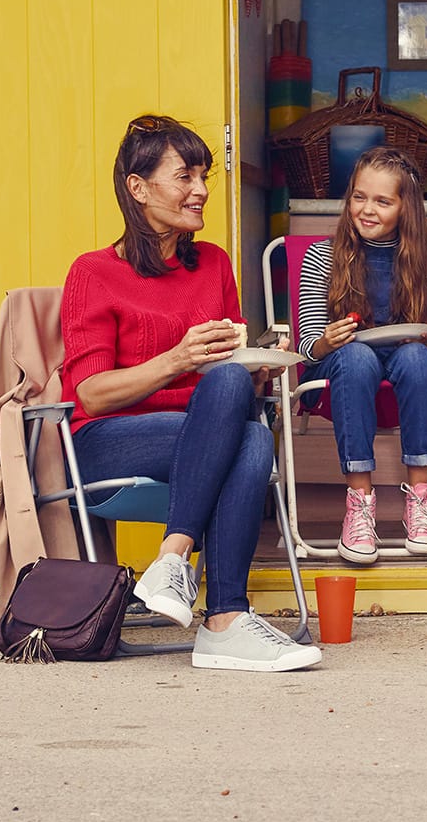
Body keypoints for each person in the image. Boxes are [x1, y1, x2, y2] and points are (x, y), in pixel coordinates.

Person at [59, 114, 319, 674]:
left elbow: (228, 376)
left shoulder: (214, 264)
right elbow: (93, 395)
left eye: (202, 176)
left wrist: (256, 371)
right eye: (184, 177)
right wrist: (179, 358)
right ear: (138, 186)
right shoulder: (94, 272)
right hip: (106, 445)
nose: (201, 190)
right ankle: (214, 607)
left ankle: (202, 597)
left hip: (203, 441)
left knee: (248, 429)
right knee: (239, 421)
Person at [293, 148, 427, 564]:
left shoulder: (425, 262)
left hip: (406, 375)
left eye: (382, 201)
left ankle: (420, 506)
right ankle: (359, 503)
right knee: (357, 357)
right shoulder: (322, 257)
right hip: (343, 373)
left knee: (419, 359)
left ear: (406, 209)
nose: (367, 210)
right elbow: (308, 346)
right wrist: (330, 339)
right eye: (359, 197)